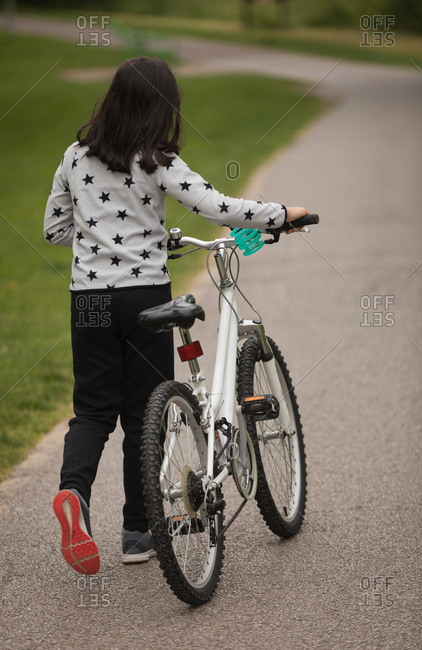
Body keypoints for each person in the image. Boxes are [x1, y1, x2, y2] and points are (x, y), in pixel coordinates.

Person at [44, 56, 309, 575]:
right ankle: (137, 532)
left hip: (90, 301)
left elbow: (56, 229)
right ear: (161, 109)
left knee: (93, 411)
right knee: (146, 414)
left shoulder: (75, 157)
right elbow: (216, 207)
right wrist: (282, 215)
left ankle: (73, 495)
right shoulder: (156, 161)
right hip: (145, 297)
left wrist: (99, 233)